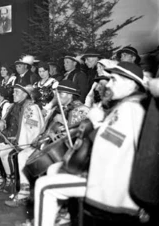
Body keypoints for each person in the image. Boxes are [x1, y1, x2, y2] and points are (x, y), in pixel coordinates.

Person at [33, 62, 147, 226]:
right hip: (111, 174)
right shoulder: (129, 106)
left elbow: (109, 147)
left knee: (44, 187)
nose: (108, 84)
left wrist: (95, 123)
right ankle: (64, 214)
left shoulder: (128, 108)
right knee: (55, 170)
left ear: (130, 84)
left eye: (113, 80)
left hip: (113, 183)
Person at [5, 80, 89, 208]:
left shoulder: (81, 110)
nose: (58, 97)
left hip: (65, 150)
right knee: (22, 155)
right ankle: (24, 192)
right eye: (58, 94)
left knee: (44, 166)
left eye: (61, 94)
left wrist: (63, 122)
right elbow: (49, 128)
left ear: (71, 95)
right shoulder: (60, 108)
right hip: (49, 144)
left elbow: (76, 134)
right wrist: (44, 135)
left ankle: (51, 203)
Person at [0, 84, 44, 194]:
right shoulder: (13, 106)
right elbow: (8, 119)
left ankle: (10, 182)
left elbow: (34, 128)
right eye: (13, 91)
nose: (13, 94)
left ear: (25, 94)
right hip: (9, 139)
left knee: (3, 154)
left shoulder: (31, 107)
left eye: (16, 92)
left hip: (22, 142)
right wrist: (3, 122)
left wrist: (20, 141)